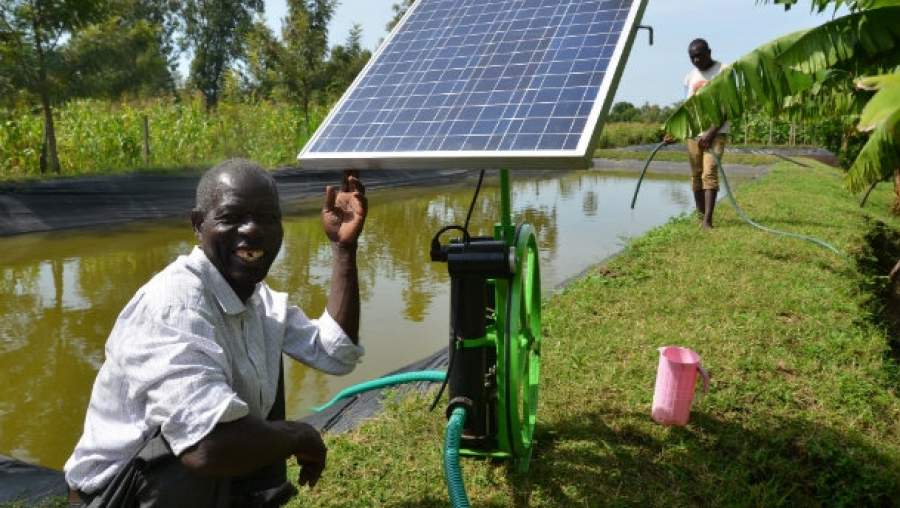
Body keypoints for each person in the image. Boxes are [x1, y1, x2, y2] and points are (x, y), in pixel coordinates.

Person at [63, 159, 368, 507]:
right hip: (114, 494)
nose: (252, 230)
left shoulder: (257, 298)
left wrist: (344, 249)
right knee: (210, 432)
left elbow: (336, 353)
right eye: (231, 217)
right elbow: (204, 449)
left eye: (267, 218)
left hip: (183, 477)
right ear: (198, 224)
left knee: (255, 369)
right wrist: (298, 435)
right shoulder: (173, 305)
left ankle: (245, 495)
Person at [667, 38, 729, 229]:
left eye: (699, 56)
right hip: (693, 134)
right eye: (692, 57)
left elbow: (727, 107)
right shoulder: (689, 77)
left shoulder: (724, 71)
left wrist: (710, 133)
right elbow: (687, 109)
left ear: (709, 52)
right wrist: (675, 131)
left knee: (709, 173)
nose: (696, 61)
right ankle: (700, 217)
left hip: (716, 133)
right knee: (696, 175)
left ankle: (708, 222)